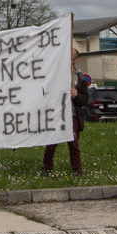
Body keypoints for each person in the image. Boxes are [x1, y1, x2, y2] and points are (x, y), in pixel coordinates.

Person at [43, 48, 89, 176]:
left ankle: (77, 171)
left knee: (74, 144)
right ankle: (47, 169)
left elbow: (85, 99)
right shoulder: (55, 73)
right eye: (68, 57)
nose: (70, 60)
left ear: (75, 59)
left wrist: (77, 95)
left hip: (73, 115)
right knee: (52, 143)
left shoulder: (80, 77)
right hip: (57, 114)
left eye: (72, 58)